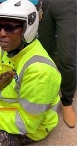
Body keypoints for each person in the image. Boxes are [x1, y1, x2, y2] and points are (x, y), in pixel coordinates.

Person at [0, 0, 61, 145]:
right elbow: (3, 84)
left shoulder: (40, 72)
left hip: (30, 126)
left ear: (27, 29)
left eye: (9, 27)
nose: (1, 33)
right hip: (10, 103)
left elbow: (26, 123)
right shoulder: (10, 48)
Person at [37, 0, 77, 128]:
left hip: (68, 4)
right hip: (45, 4)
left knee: (68, 56)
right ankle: (43, 94)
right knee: (42, 52)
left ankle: (67, 102)